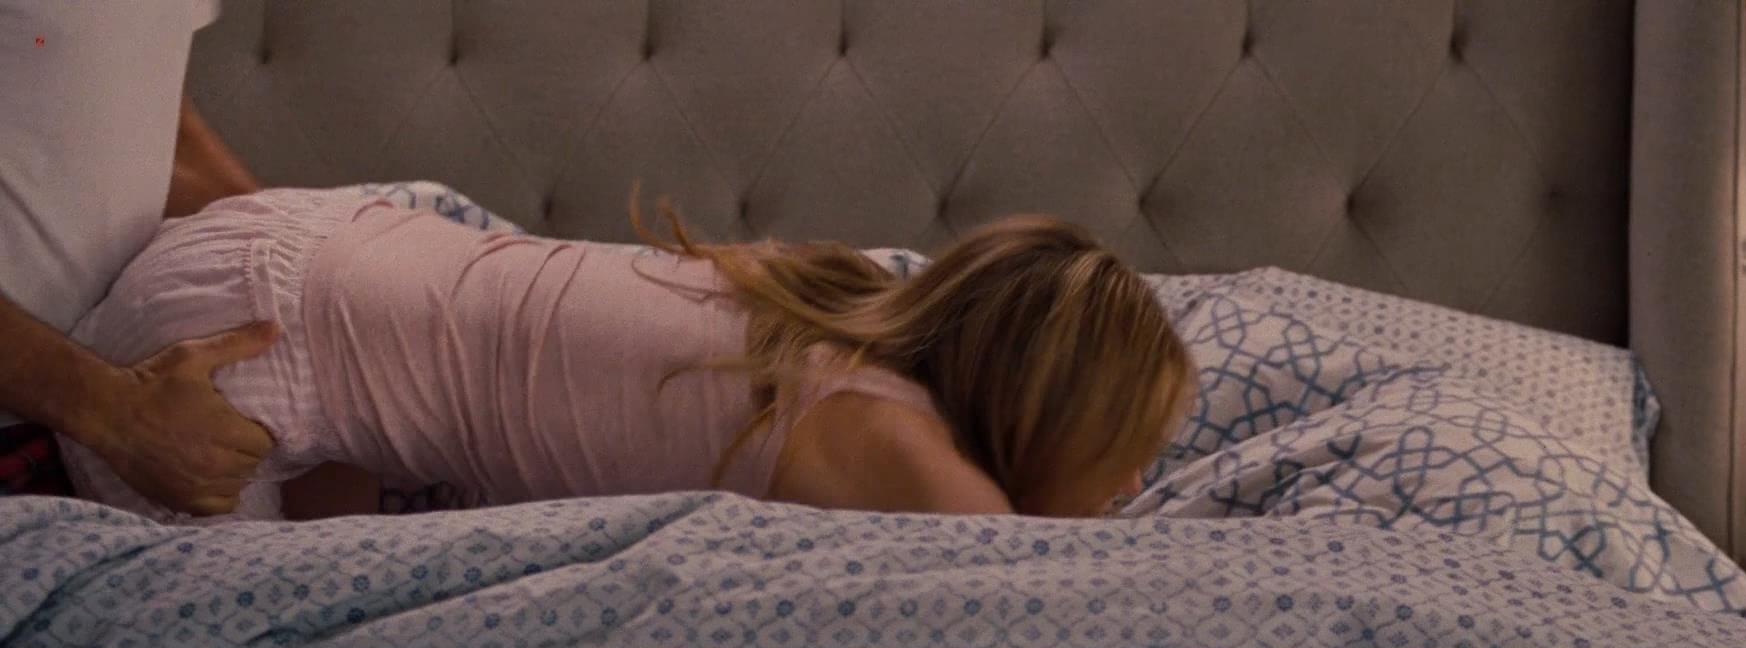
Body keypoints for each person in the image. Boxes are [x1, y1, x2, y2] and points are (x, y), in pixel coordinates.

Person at [57, 185, 1195, 520]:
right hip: (218, 358)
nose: (1139, 480)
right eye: (1129, 447)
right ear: (1044, 415)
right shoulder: (905, 460)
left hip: (289, 234)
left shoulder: (835, 291)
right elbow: (1061, 598)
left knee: (354, 522)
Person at [0, 2, 273, 514]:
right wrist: (114, 413)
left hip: (116, 413)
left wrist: (304, 248)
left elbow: (146, 115)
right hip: (72, 427)